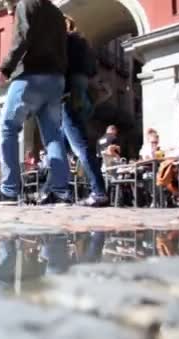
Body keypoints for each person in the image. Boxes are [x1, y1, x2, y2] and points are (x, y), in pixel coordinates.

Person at [0, 0, 70, 205]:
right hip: (55, 79)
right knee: (53, 134)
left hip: (30, 76)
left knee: (8, 129)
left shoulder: (26, 4)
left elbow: (22, 37)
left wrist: (5, 69)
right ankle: (60, 191)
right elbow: (64, 48)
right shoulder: (57, 13)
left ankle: (9, 190)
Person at [59, 16, 109, 207]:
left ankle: (99, 192)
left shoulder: (66, 42)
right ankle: (53, 191)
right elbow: (93, 71)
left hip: (69, 94)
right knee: (61, 149)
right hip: (82, 96)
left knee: (80, 147)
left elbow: (60, 66)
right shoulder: (83, 43)